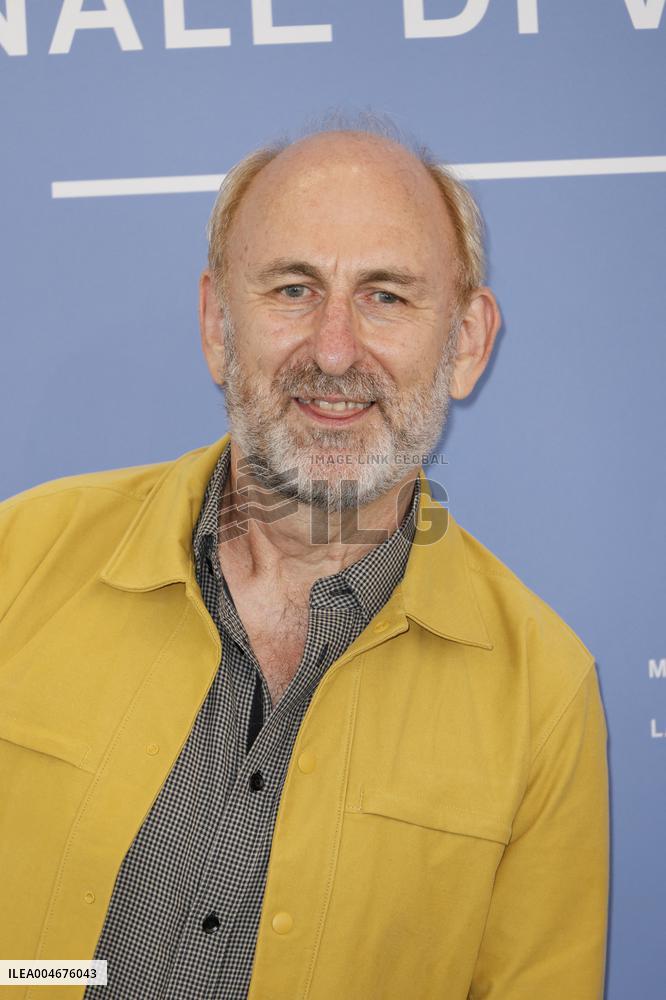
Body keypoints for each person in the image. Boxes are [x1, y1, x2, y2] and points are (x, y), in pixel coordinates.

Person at [0, 122, 609, 1000]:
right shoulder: (19, 559)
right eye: (293, 288)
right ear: (217, 325)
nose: (332, 351)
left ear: (468, 341)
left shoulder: (542, 694)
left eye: (387, 297)